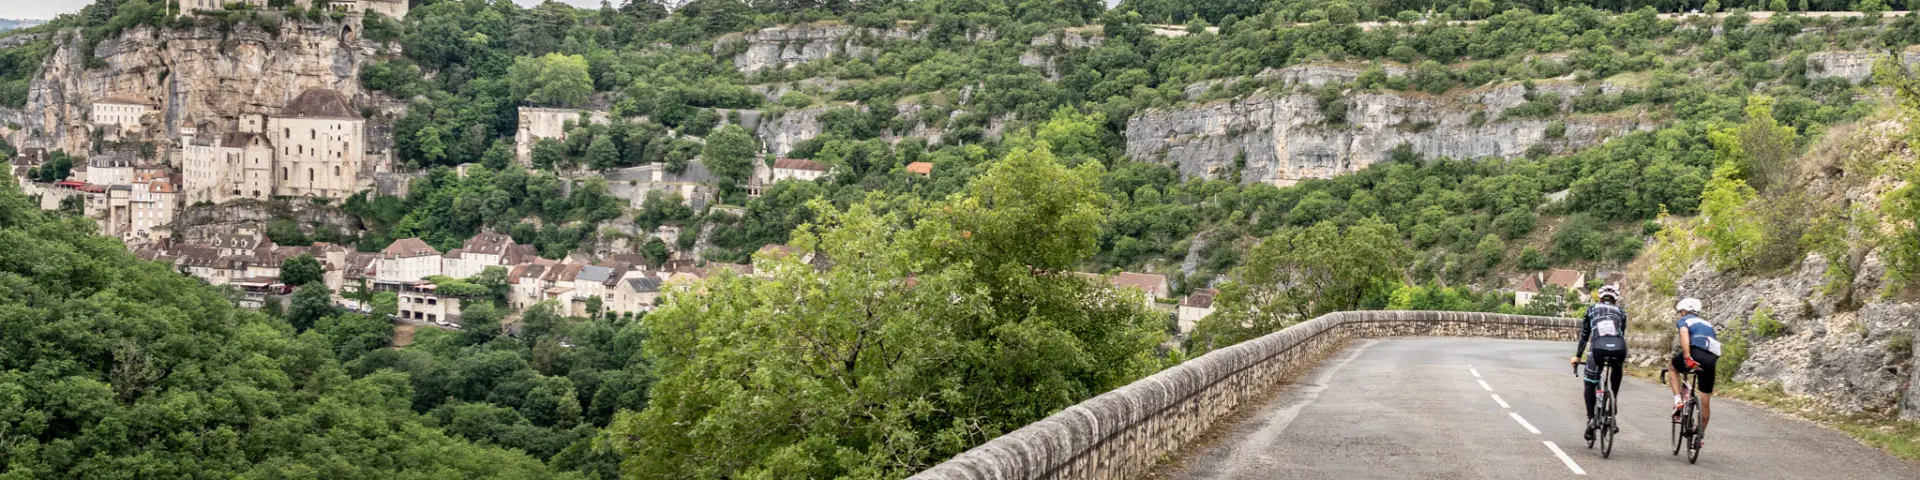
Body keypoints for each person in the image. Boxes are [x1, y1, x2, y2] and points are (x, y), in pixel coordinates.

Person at [1570, 284, 1627, 442]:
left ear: (1600, 297)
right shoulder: (1622, 312)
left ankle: (1591, 419)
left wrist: (1577, 356)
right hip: (1618, 348)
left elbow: (1585, 335)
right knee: (1617, 368)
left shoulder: (1591, 309)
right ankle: (1612, 403)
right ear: (1615, 299)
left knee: (1590, 383)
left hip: (1598, 349)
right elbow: (1621, 333)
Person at [1666, 297, 1720, 449]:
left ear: (1683, 311)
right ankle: (1700, 435)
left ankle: (1678, 400)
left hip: (1695, 352)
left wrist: (1688, 356)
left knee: (1672, 367)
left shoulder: (1685, 321)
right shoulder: (1707, 324)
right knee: (1705, 402)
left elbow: (1684, 334)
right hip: (1711, 358)